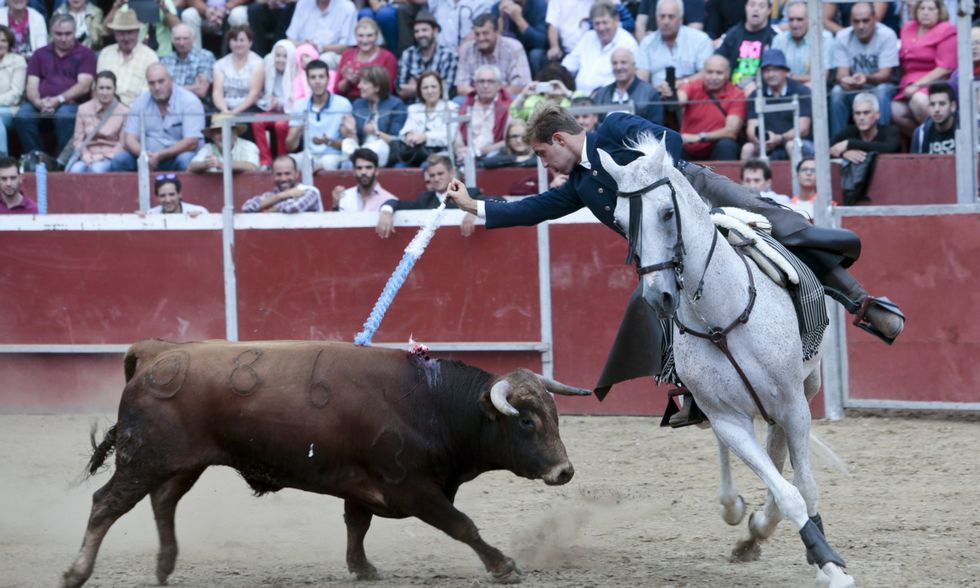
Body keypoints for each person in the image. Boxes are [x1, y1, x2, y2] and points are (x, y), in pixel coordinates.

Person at [445, 104, 906, 424]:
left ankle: (863, 303)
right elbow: (536, 209)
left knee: (778, 225)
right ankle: (694, 391)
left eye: (545, 154)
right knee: (651, 303)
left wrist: (660, 185)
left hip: (698, 192)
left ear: (560, 139)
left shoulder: (613, 129)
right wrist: (476, 207)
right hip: (667, 246)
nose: (547, 164)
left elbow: (671, 140)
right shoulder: (581, 185)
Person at [13, 14, 96, 156]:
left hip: (71, 104)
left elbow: (84, 86)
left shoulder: (86, 54)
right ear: (51, 33)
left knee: (65, 115)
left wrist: (59, 100)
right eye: (58, 34)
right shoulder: (39, 54)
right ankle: (37, 158)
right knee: (22, 116)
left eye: (68, 34)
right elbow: (31, 85)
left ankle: (61, 161)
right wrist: (38, 102)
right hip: (42, 103)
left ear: (75, 32)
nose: (63, 38)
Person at [111, 63, 206, 172]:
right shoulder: (141, 102)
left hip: (177, 156)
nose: (157, 87)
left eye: (161, 81)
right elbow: (130, 138)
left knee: (185, 160)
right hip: (147, 157)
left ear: (171, 80)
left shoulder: (190, 102)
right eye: (152, 83)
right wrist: (144, 154)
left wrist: (160, 155)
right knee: (119, 160)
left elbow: (192, 142)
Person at [829, 2, 899, 139]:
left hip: (879, 85)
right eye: (856, 21)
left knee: (882, 91)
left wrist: (865, 78)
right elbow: (841, 74)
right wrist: (846, 80)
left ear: (875, 18)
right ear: (851, 21)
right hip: (855, 87)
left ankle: (881, 142)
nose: (861, 26)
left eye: (865, 21)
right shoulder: (842, 37)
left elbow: (885, 74)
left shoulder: (887, 35)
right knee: (837, 92)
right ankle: (837, 143)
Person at [891, 0, 957, 136]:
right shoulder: (908, 27)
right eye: (922, 8)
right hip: (906, 86)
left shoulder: (947, 29)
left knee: (918, 101)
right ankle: (922, 139)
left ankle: (942, 138)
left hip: (934, 84)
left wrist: (917, 85)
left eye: (931, 9)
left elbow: (945, 68)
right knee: (893, 110)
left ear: (940, 11)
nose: (926, 12)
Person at [376, 153, 479, 237]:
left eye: (440, 174)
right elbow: (396, 203)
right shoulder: (424, 199)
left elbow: (492, 201)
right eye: (432, 175)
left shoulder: (469, 193)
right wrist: (386, 212)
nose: (436, 179)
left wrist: (474, 210)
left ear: (451, 172)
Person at [741, 48, 812, 161]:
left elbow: (803, 128)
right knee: (747, 148)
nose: (771, 74)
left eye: (775, 70)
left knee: (792, 146)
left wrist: (780, 138)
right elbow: (751, 127)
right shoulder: (756, 94)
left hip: (795, 141)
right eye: (767, 70)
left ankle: (800, 178)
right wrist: (761, 140)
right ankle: (748, 178)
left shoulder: (801, 91)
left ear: (785, 72)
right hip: (767, 143)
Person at [636, 0, 713, 100]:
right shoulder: (647, 43)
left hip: (692, 99)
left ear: (681, 19)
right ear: (656, 18)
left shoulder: (700, 40)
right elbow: (642, 79)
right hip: (657, 99)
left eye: (671, 17)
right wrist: (654, 91)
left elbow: (707, 73)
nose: (666, 22)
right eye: (662, 16)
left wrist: (682, 83)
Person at [285, 59, 354, 171]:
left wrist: (327, 141)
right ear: (307, 81)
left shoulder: (343, 104)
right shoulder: (299, 106)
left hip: (333, 155)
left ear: (328, 79)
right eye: (313, 77)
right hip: (309, 155)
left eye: (321, 77)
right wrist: (298, 130)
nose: (317, 81)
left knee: (327, 163)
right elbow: (290, 147)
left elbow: (350, 145)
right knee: (287, 163)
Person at [561, 1, 638, 96]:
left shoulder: (627, 42)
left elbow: (632, 79)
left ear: (616, 21)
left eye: (605, 22)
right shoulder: (587, 38)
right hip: (579, 100)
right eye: (597, 23)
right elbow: (567, 66)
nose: (601, 28)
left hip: (610, 101)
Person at [677, 54, 744, 161]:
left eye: (719, 73)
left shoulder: (737, 94)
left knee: (727, 145)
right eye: (709, 72)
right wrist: (671, 93)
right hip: (687, 148)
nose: (714, 77)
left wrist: (699, 137)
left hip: (715, 148)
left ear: (727, 74)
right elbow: (679, 100)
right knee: (673, 146)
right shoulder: (692, 86)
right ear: (703, 73)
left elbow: (731, 131)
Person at [455, 12, 531, 97]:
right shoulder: (466, 49)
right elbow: (461, 87)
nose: (481, 38)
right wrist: (483, 98)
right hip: (475, 98)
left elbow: (521, 85)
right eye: (477, 34)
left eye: (485, 33)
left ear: (496, 32)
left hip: (506, 98)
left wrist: (494, 98)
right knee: (457, 101)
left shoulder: (514, 47)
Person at [341, 66, 405, 167]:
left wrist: (375, 132)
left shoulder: (395, 105)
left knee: (377, 147)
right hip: (362, 149)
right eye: (360, 82)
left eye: (364, 83)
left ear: (377, 87)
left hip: (385, 151)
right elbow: (356, 141)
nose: (359, 86)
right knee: (347, 147)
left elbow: (396, 140)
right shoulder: (358, 104)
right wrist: (351, 131)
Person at [66, 71, 129, 173]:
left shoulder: (125, 111)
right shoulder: (83, 109)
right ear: (95, 89)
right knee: (75, 170)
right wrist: (85, 155)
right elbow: (78, 140)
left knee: (96, 170)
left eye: (108, 88)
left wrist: (102, 156)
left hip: (109, 157)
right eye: (101, 88)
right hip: (87, 155)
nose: (104, 92)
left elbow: (123, 144)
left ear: (115, 89)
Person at [391, 70, 457, 167]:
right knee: (398, 166)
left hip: (440, 153)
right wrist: (409, 136)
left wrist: (425, 137)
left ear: (440, 88)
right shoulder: (414, 108)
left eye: (433, 87)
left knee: (426, 165)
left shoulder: (451, 107)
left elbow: (449, 137)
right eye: (425, 88)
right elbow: (404, 131)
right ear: (420, 91)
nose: (429, 91)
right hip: (416, 153)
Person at [97, 7, 159, 107]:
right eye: (121, 33)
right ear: (115, 34)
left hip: (135, 111)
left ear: (138, 32)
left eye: (130, 32)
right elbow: (97, 87)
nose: (126, 38)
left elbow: (149, 94)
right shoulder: (105, 53)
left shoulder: (150, 56)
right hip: (105, 109)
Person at [395, 9, 458, 102]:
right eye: (416, 31)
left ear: (435, 31)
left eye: (424, 30)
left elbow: (446, 91)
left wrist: (414, 87)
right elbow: (400, 90)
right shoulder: (408, 54)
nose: (420, 34)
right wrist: (433, 87)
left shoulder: (448, 56)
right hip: (412, 108)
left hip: (440, 107)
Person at [714, 0, 777, 92]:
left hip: (760, 92)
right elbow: (717, 60)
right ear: (745, 7)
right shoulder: (733, 35)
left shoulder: (774, 38)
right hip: (730, 93)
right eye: (752, 5)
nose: (756, 9)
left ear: (769, 10)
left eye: (761, 6)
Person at [253, 40, 297, 168]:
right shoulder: (270, 70)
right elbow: (266, 95)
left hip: (290, 113)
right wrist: (268, 101)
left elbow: (296, 101)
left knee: (280, 125)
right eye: (278, 56)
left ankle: (282, 160)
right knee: (257, 120)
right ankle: (265, 160)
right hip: (274, 110)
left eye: (285, 56)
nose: (280, 60)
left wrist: (278, 102)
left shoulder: (296, 72)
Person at [456, 64, 512, 163]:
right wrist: (460, 150)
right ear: (475, 85)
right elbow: (457, 135)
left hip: (494, 154)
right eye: (481, 81)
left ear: (499, 85)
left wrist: (480, 151)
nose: (485, 86)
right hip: (466, 155)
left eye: (490, 81)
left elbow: (509, 141)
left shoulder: (508, 106)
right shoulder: (466, 105)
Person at [592, 47, 663, 125]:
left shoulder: (649, 93)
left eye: (623, 62)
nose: (618, 67)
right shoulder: (602, 94)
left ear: (633, 65)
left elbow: (656, 126)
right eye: (615, 63)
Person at [771, 0, 834, 87]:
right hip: (785, 89)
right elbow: (774, 75)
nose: (794, 24)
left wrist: (791, 76)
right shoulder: (779, 39)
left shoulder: (824, 38)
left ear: (809, 19)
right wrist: (807, 77)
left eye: (799, 19)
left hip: (815, 90)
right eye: (791, 19)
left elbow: (822, 77)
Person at [829, 91, 901, 163]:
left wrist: (849, 144)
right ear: (853, 116)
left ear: (877, 115)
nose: (861, 117)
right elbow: (825, 150)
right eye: (857, 113)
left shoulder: (891, 131)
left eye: (866, 113)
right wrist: (843, 153)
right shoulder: (849, 132)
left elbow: (889, 148)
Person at [336, 17, 397, 100]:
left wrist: (366, 80)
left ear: (376, 36)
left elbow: (388, 90)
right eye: (360, 36)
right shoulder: (347, 54)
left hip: (376, 102)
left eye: (369, 35)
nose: (365, 40)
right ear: (355, 37)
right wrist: (347, 80)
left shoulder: (388, 57)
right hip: (349, 101)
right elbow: (337, 90)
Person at [286, 0, 357, 69]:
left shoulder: (347, 7)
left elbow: (346, 46)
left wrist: (319, 47)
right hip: (303, 51)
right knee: (282, 49)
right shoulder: (303, 3)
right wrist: (306, 45)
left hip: (331, 55)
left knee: (325, 59)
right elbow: (290, 38)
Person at [212, 24, 264, 117]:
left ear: (250, 43)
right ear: (229, 42)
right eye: (234, 40)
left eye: (242, 40)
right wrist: (225, 111)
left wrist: (234, 113)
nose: (238, 44)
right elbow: (217, 92)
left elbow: (254, 94)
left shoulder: (258, 63)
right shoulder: (220, 64)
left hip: (248, 107)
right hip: (225, 107)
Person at [242, 154, 322, 212]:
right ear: (272, 176)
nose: (283, 178)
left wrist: (270, 209)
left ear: (296, 174)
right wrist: (281, 196)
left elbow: (294, 208)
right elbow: (247, 207)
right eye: (278, 174)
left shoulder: (310, 191)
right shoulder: (271, 196)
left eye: (287, 174)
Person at [159, 23, 215, 104]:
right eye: (177, 39)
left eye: (185, 39)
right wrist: (193, 87)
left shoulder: (205, 57)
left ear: (193, 39)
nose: (181, 43)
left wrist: (171, 88)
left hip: (196, 106)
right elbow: (160, 89)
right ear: (172, 40)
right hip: (169, 106)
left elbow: (202, 91)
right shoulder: (166, 60)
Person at [102, 0, 181, 56]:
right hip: (134, 55)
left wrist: (164, 9)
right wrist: (116, 7)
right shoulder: (126, 4)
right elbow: (105, 30)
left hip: (162, 54)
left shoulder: (165, 2)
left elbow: (179, 29)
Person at [188, 113, 260, 173]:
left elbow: (252, 167)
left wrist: (222, 165)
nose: (223, 135)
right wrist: (205, 164)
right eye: (218, 131)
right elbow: (190, 167)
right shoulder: (208, 148)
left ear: (235, 133)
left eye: (227, 130)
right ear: (212, 136)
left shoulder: (248, 146)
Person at [331, 147, 397, 211]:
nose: (363, 172)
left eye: (368, 167)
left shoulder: (389, 199)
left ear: (376, 171)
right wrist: (335, 206)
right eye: (359, 168)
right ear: (354, 171)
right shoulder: (345, 197)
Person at [493, 0, 547, 76]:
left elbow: (540, 42)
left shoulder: (539, 5)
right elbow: (493, 42)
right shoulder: (498, 7)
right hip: (508, 50)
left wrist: (518, 19)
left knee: (535, 55)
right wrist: (501, 18)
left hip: (530, 49)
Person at [0, 25, 27, 157]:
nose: (0, 44)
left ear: (9, 43)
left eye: (3, 40)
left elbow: (16, 95)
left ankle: (2, 161)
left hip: (11, 110)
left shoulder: (18, 61)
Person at [180, 0, 250, 50]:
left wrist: (226, 8)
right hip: (205, 13)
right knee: (189, 14)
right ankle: (195, 57)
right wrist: (206, 10)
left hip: (232, 10)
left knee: (238, 14)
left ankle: (241, 56)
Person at [910, 81, 957, 154]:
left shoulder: (965, 129)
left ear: (952, 106)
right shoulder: (921, 133)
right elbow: (916, 164)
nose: (936, 109)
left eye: (942, 104)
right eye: (932, 104)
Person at [427, 0, 495, 50]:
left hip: (468, 52)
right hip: (441, 54)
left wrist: (460, 51)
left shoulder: (481, 3)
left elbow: (478, 28)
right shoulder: (437, 2)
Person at [636, 0, 705, 41]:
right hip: (651, 46)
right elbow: (640, 24)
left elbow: (694, 32)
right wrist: (646, 44)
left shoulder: (695, 1)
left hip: (683, 50)